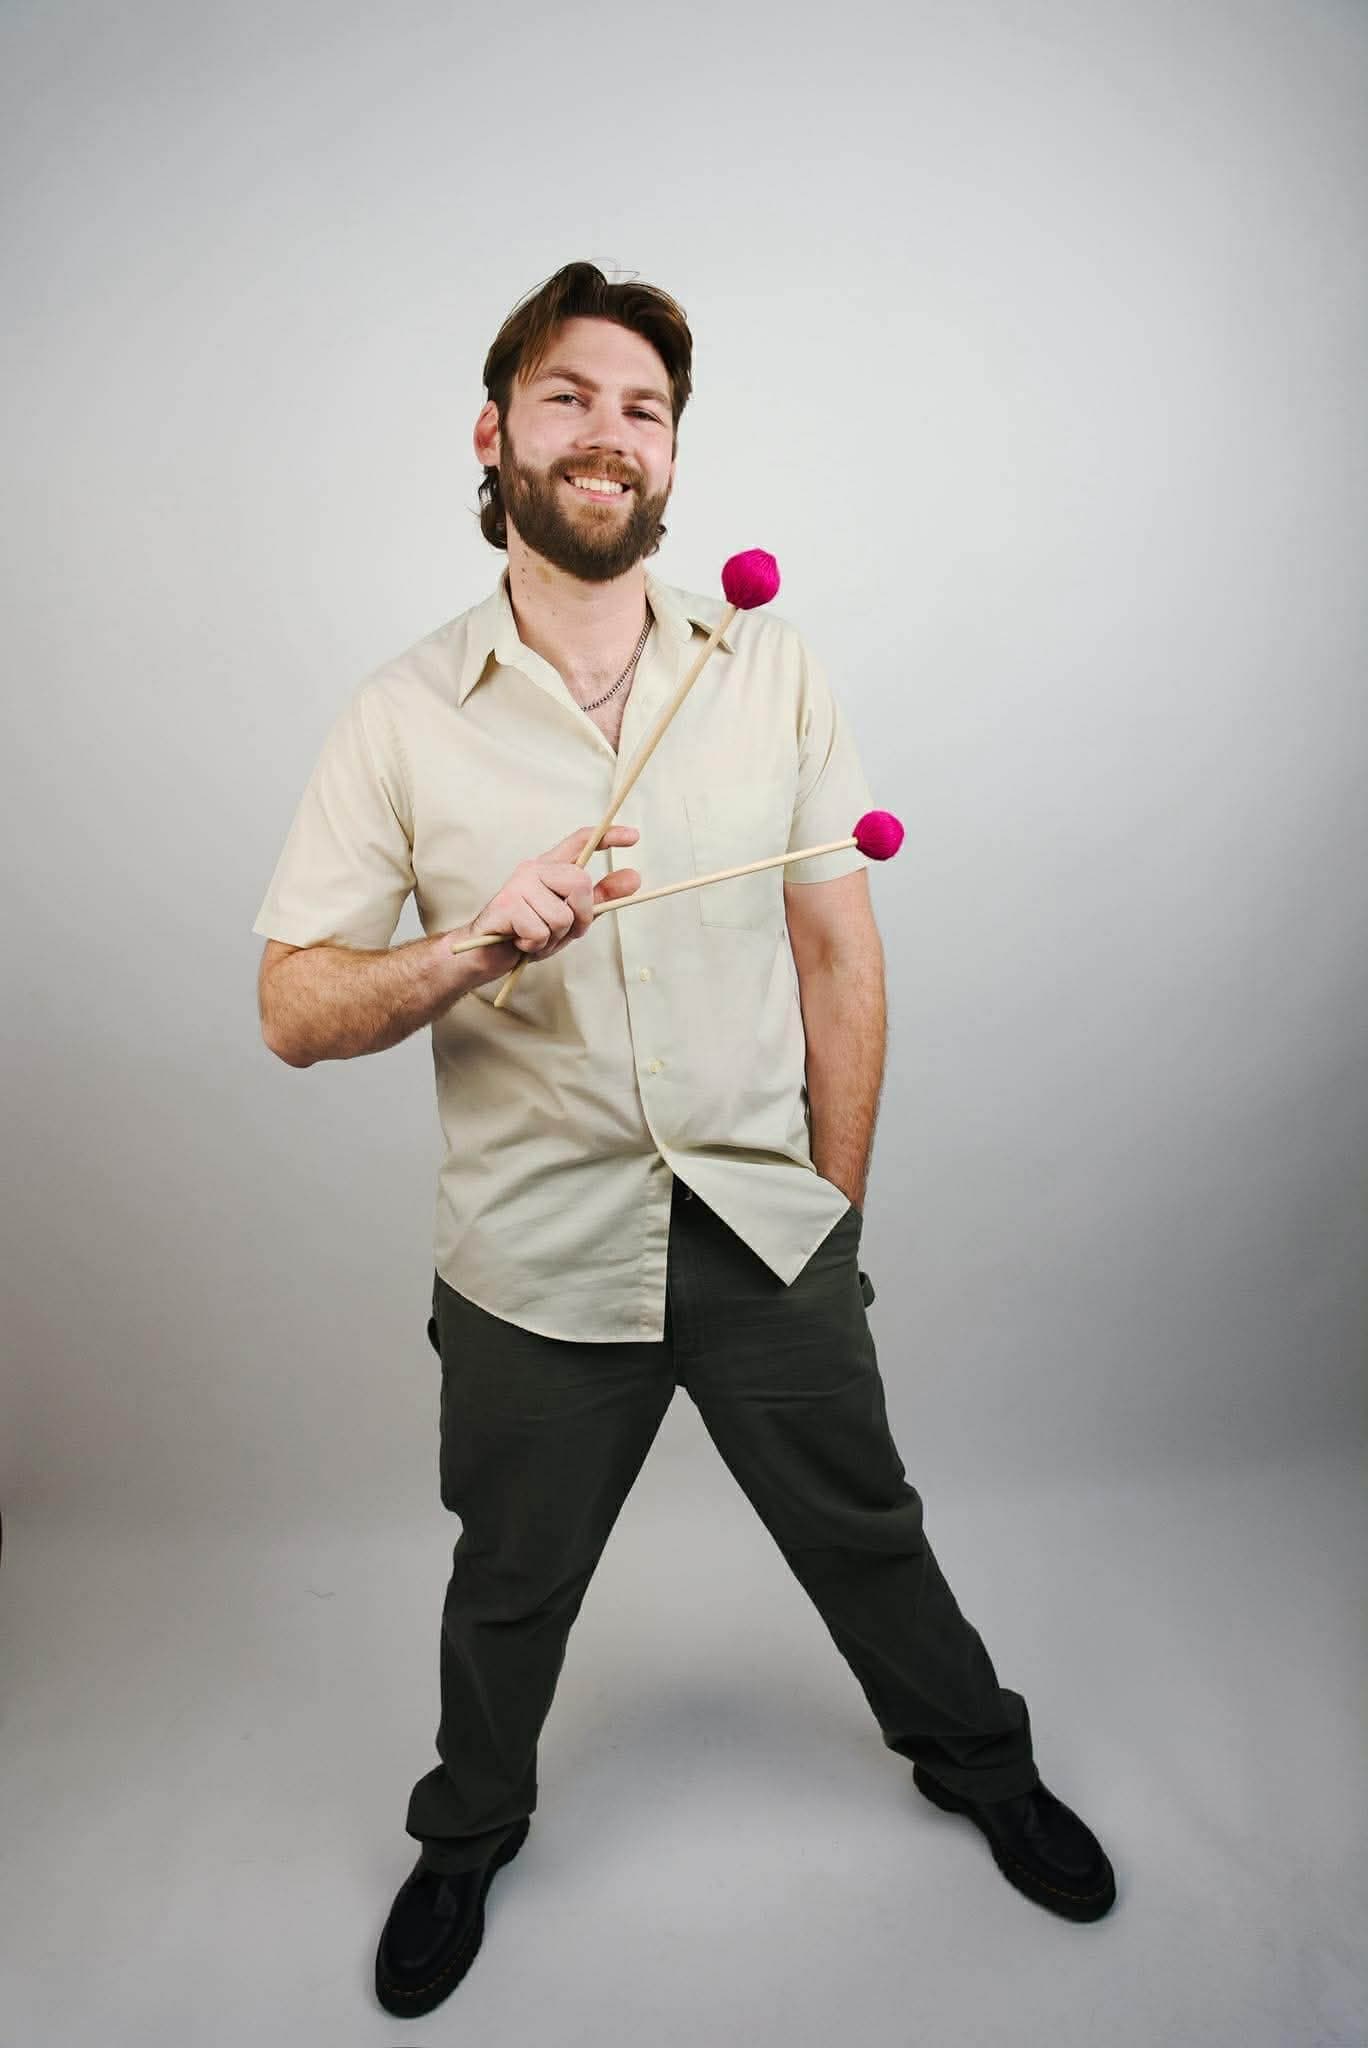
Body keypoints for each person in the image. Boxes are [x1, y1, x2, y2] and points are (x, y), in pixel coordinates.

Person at [253, 261, 1116, 2020]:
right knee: (509, 1583)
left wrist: (834, 1218)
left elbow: (836, 947)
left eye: (643, 408)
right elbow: (290, 1007)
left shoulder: (769, 667)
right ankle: (469, 1831)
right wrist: (470, 944)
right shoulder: (399, 715)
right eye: (569, 396)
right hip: (531, 1250)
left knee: (869, 1528)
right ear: (495, 435)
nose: (608, 433)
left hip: (758, 1218)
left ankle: (978, 1761)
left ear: (671, 462)